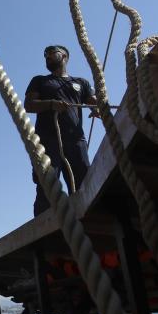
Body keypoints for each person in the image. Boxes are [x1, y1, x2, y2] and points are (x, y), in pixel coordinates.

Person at [24, 45, 96, 213]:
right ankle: (45, 227)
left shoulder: (80, 83)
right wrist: (51, 104)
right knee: (47, 185)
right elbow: (28, 105)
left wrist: (98, 109)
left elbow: (93, 101)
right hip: (47, 140)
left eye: (51, 53)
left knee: (84, 182)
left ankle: (85, 221)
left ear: (64, 56)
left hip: (76, 140)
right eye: (45, 55)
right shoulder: (40, 81)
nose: (47, 56)